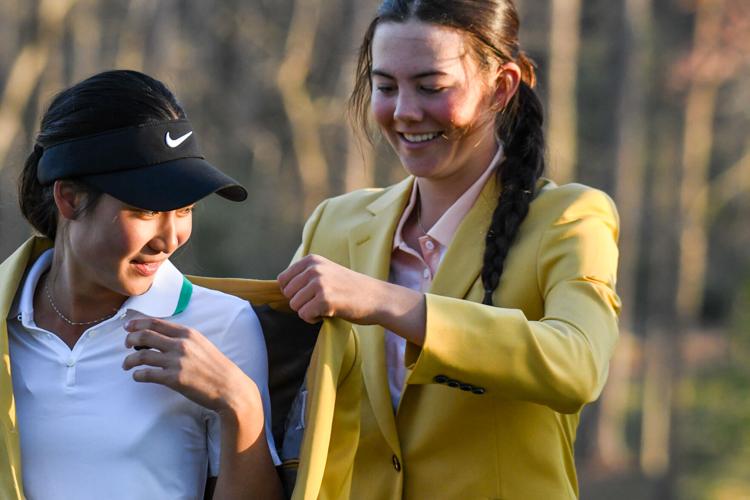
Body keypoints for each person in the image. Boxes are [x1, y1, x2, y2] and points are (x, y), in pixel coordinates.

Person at [278, 1, 621, 498]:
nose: (404, 111)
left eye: (431, 87)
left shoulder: (569, 218)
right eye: (386, 87)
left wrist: (385, 302)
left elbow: (578, 365)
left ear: (501, 87)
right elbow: (280, 388)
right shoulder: (334, 223)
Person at [0, 70, 283, 499]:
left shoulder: (223, 325)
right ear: (69, 198)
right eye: (146, 211)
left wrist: (240, 403)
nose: (169, 239)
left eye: (185, 210)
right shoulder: (6, 323)